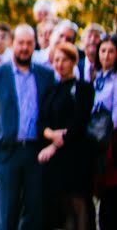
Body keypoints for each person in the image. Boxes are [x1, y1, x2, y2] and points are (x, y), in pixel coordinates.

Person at [0, 23, 56, 230]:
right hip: (6, 152)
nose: (25, 47)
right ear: (12, 43)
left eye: (29, 43)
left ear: (35, 45)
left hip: (35, 152)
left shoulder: (45, 75)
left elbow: (50, 112)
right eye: (21, 43)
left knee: (34, 214)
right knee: (6, 216)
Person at [38, 42, 94, 230]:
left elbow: (79, 121)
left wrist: (54, 144)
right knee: (64, 208)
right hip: (56, 161)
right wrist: (51, 134)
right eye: (56, 60)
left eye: (64, 60)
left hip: (76, 155)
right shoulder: (51, 90)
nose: (60, 64)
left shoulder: (83, 88)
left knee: (79, 205)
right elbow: (42, 121)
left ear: (73, 62)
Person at [94, 34, 117, 229]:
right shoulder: (95, 76)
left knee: (110, 195)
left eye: (111, 51)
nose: (106, 55)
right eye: (103, 50)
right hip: (93, 141)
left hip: (111, 142)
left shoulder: (115, 80)